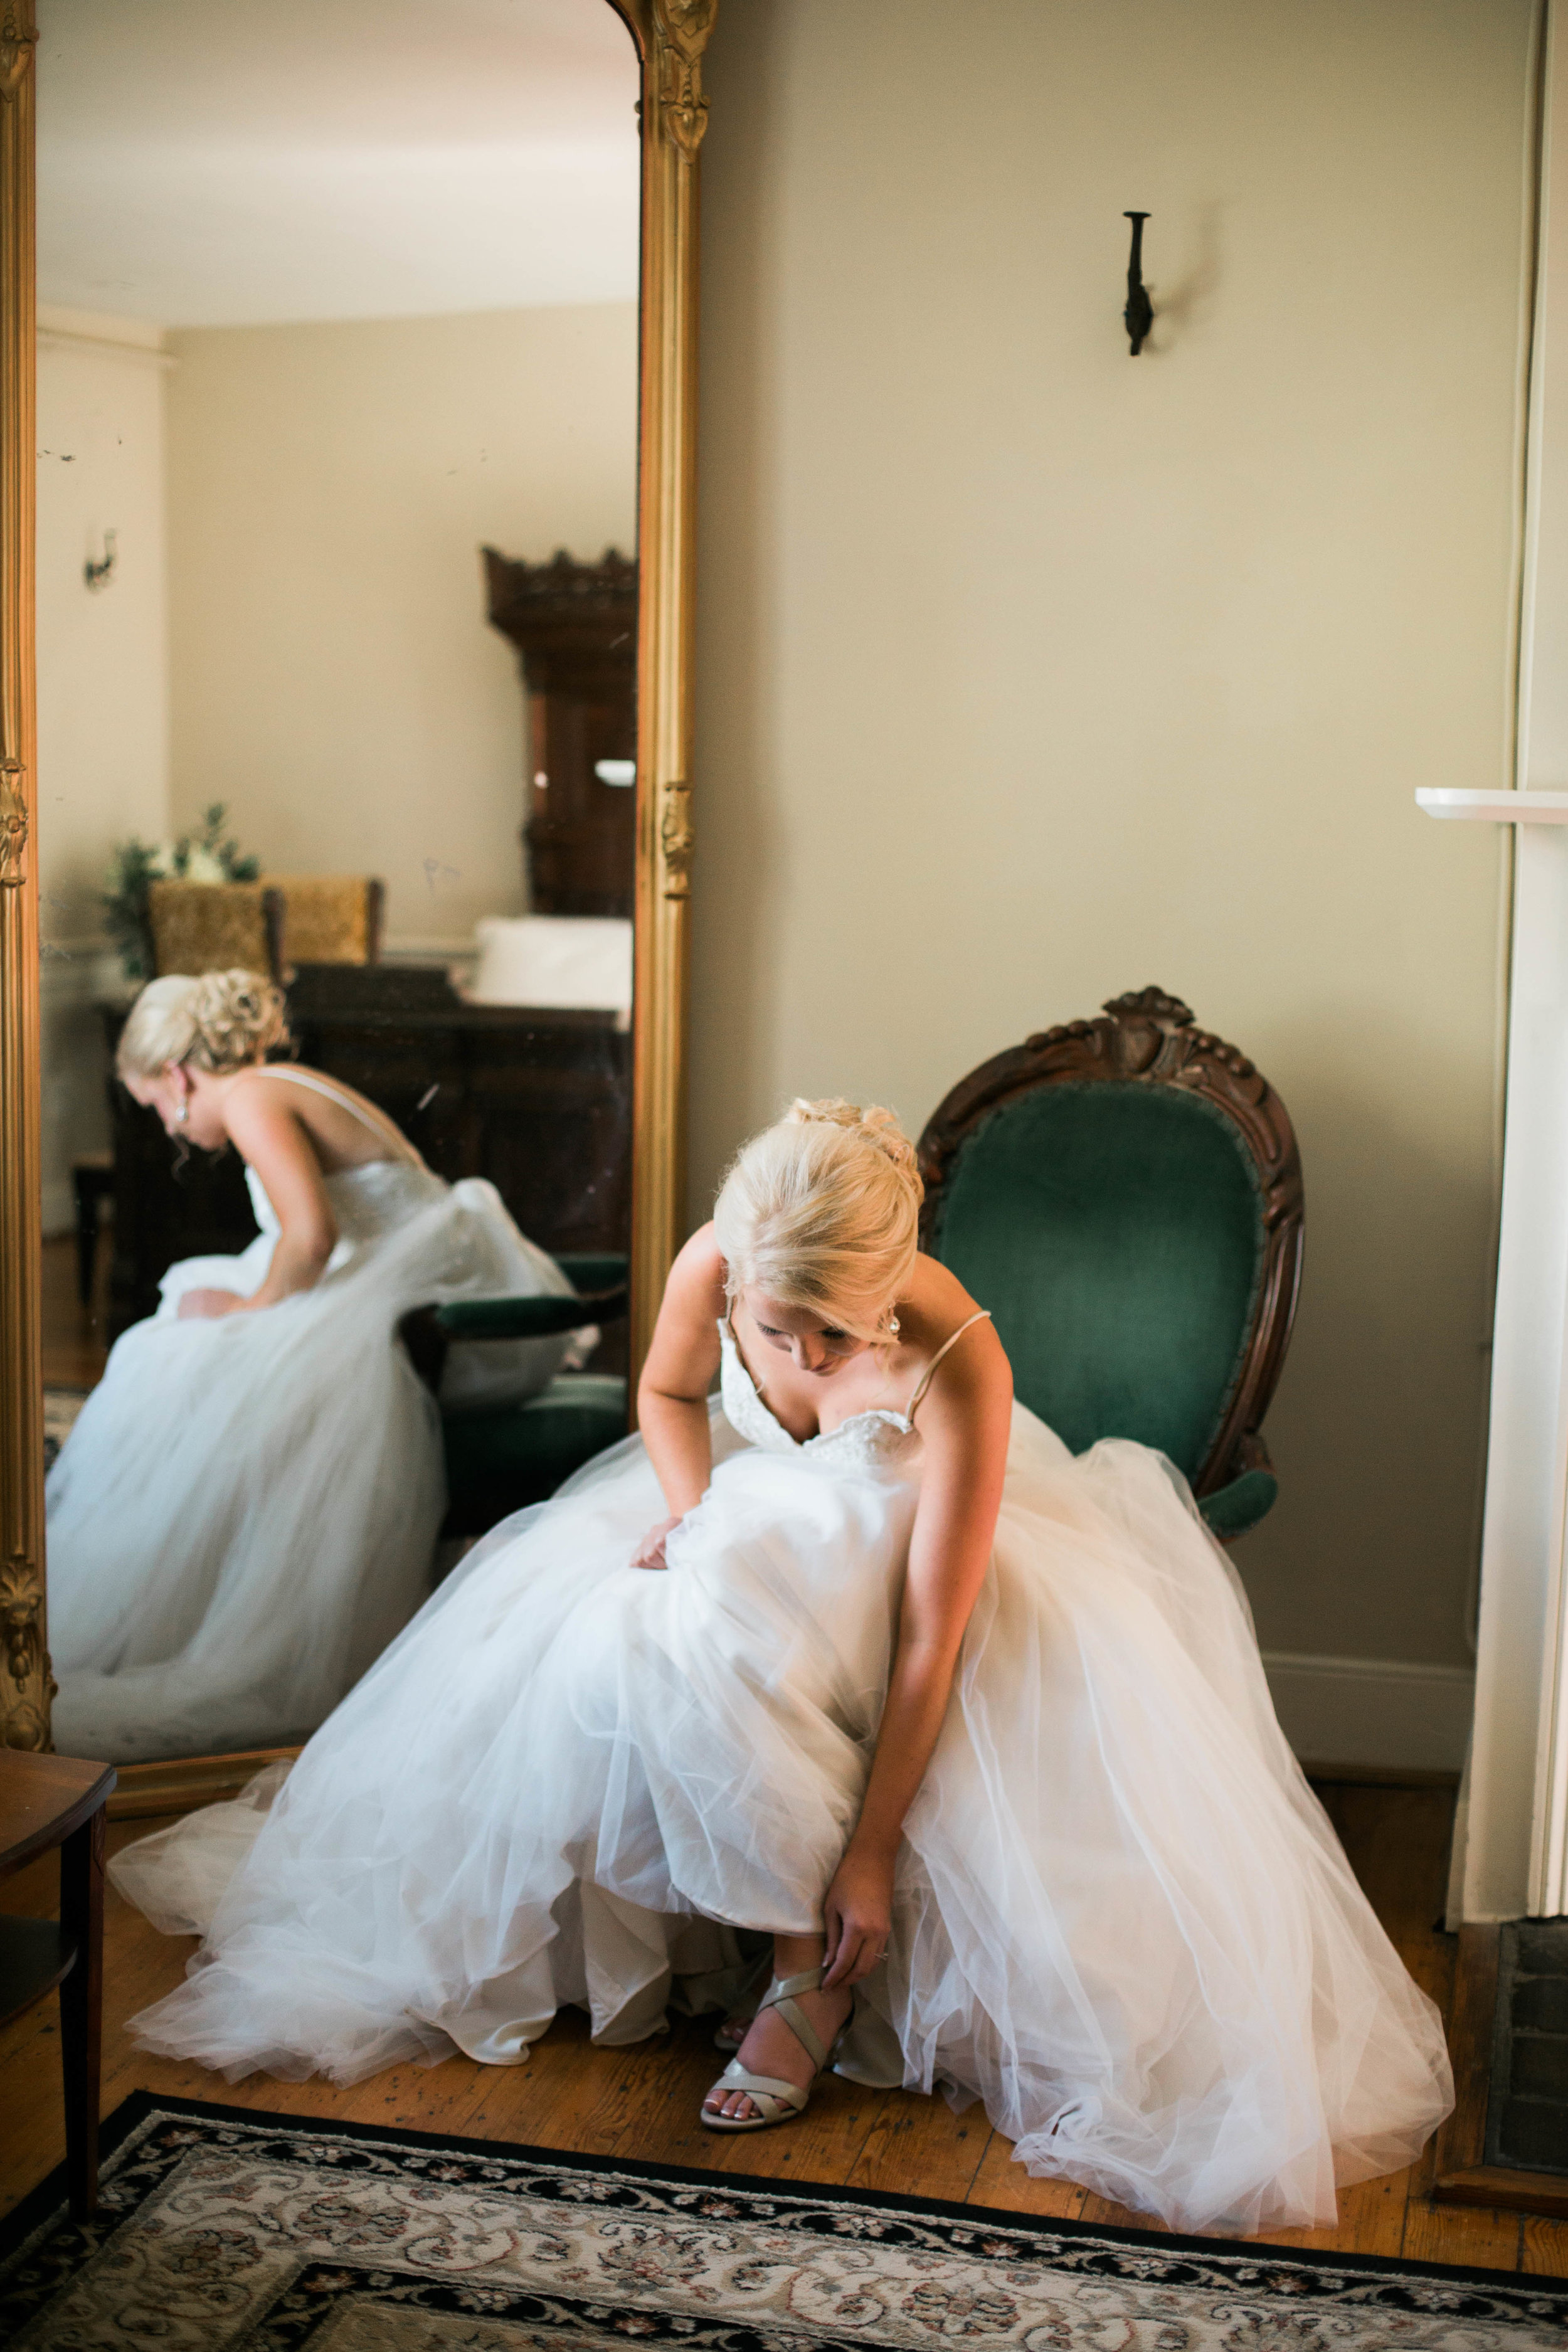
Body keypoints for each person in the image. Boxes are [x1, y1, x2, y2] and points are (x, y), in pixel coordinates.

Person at [109, 1097, 1453, 2237]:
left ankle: (813, 1967)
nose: (800, 1361)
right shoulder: (719, 1258)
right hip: (755, 1524)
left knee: (715, 1609)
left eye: (836, 1338)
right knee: (653, 1612)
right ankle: (789, 1946)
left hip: (899, 1556)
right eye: (773, 1329)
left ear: (891, 1292)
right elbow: (664, 1396)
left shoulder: (961, 1367)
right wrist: (691, 1511)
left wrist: (873, 1848)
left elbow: (933, 1637)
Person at [48, 968, 580, 1764]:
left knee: (173, 1355)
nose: (166, 1124)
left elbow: (311, 1240)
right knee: (186, 1319)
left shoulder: (252, 1097)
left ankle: (171, 1607)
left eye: (156, 1105)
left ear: (177, 1076)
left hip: (439, 1317)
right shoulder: (279, 1083)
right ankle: (181, 1588)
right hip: (443, 1292)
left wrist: (251, 1313)